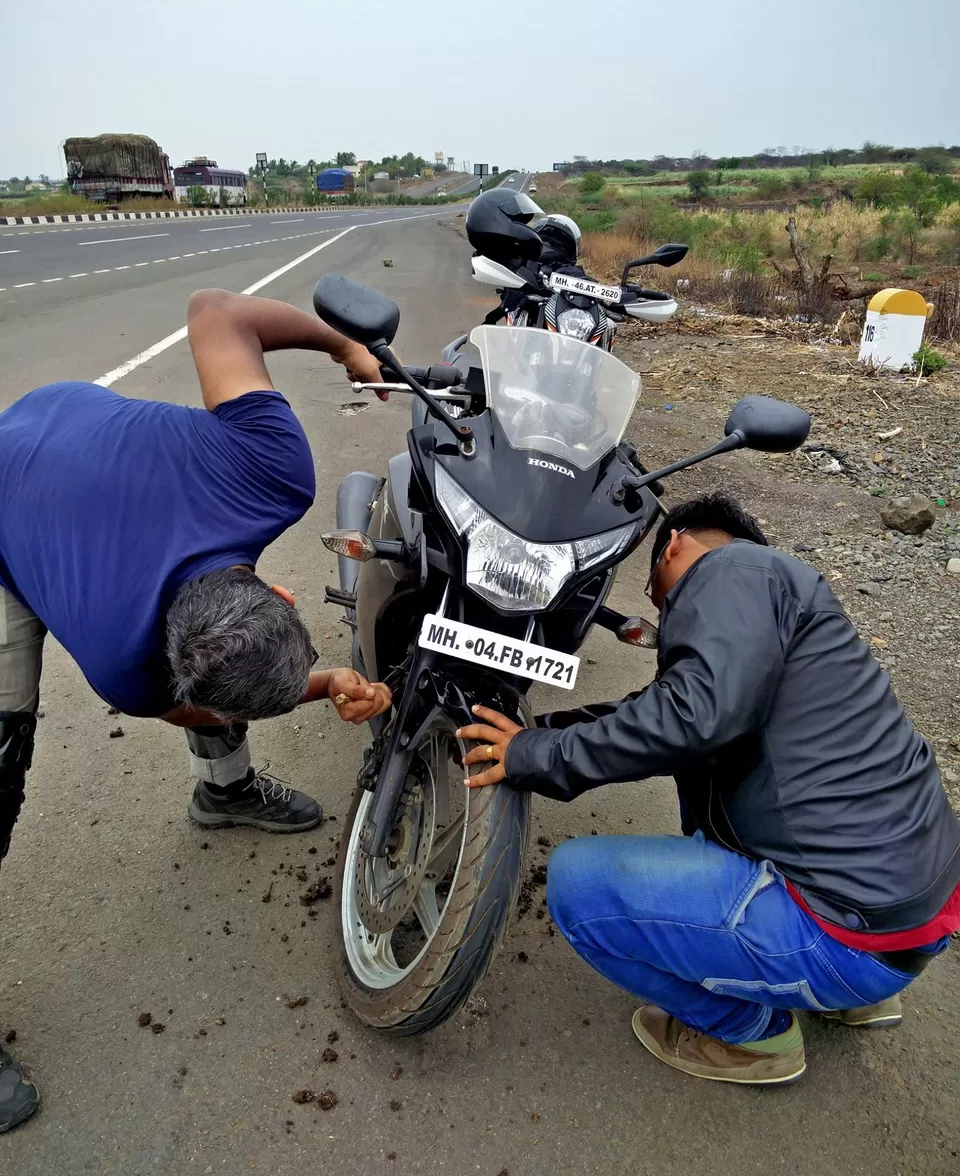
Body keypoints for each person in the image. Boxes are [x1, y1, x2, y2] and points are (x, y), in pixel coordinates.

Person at [0, 288, 394, 1131]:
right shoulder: (123, 667)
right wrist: (324, 687)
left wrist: (341, 348)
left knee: (236, 674)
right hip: (10, 508)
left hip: (68, 420)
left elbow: (216, 309)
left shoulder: (269, 469)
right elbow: (200, 706)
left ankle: (223, 796)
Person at [457, 493, 960, 1086]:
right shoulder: (785, 606)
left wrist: (537, 755)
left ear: (675, 544)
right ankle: (849, 997)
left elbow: (692, 718)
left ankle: (755, 1036)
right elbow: (657, 713)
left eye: (660, 599)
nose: (666, 618)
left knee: (579, 887)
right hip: (913, 918)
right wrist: (535, 737)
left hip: (843, 934)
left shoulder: (730, 568)